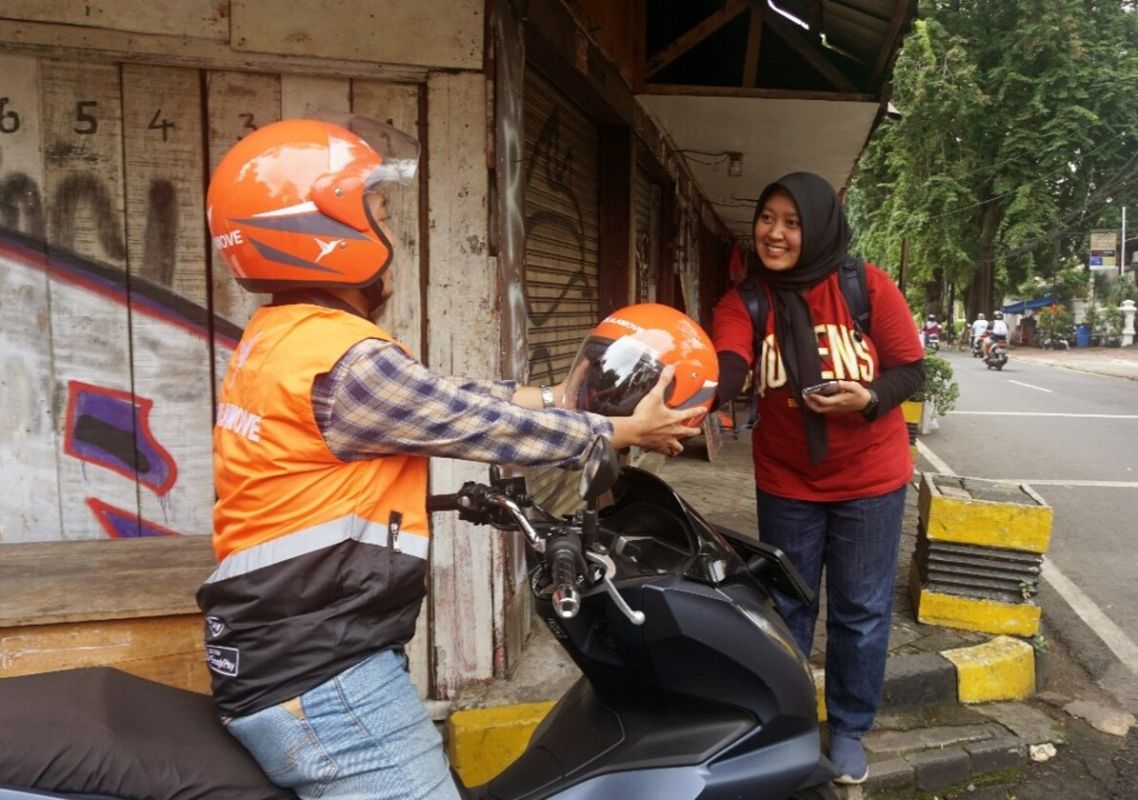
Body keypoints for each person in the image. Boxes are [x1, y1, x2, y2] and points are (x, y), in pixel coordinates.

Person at [196, 117, 706, 800]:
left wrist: (557, 395)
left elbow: (442, 398)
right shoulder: (340, 361)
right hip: (318, 673)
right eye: (376, 211)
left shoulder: (281, 338)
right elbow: (475, 423)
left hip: (294, 646)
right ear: (324, 232)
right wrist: (612, 433)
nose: (391, 232)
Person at [710, 172, 925, 785]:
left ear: (820, 226)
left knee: (860, 610)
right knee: (787, 609)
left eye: (792, 221)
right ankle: (791, 723)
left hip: (871, 480)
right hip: (788, 481)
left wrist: (868, 397)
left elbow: (910, 369)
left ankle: (852, 726)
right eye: (767, 217)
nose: (775, 233)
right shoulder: (748, 301)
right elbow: (729, 363)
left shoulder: (867, 288)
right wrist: (689, 400)